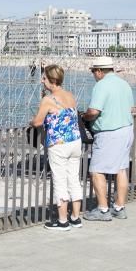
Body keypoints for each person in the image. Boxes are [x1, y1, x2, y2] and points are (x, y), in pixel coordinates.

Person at [80, 56, 135, 221]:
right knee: (121, 169)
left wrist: (84, 116)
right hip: (126, 129)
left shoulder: (101, 85)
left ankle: (103, 210)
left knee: (96, 170)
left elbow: (94, 111)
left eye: (93, 72)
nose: (93, 75)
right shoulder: (124, 84)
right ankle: (119, 207)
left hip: (109, 132)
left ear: (98, 71)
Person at [30, 64, 83, 230]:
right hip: (75, 141)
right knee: (74, 179)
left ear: (52, 80)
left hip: (58, 144)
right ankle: (75, 217)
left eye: (44, 77)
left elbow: (38, 121)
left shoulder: (48, 100)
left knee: (60, 181)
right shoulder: (70, 95)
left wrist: (31, 122)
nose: (42, 80)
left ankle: (62, 221)